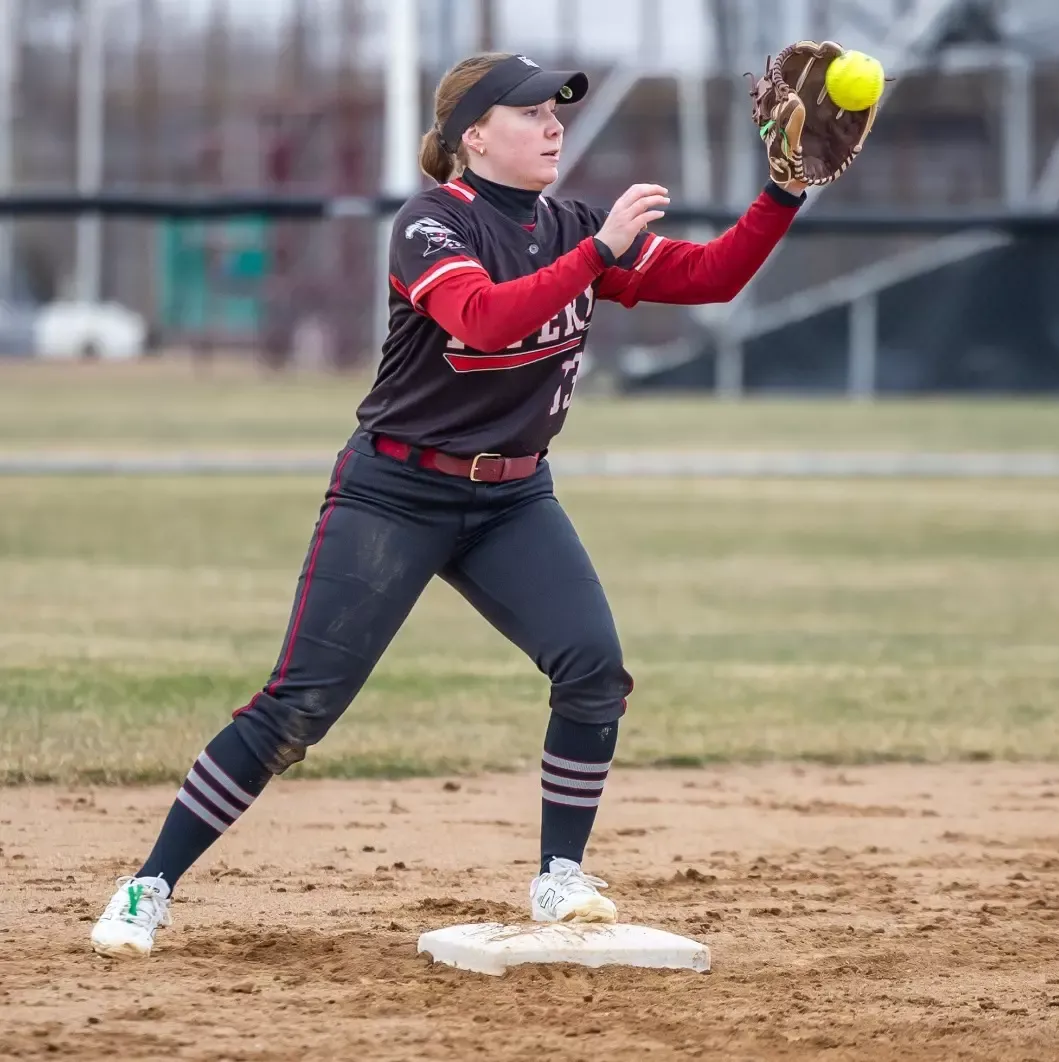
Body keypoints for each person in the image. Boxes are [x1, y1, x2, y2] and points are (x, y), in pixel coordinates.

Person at [89, 50, 826, 958]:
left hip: (513, 498)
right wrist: (598, 254)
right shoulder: (430, 223)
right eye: (529, 112)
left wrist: (782, 191)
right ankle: (147, 885)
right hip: (394, 492)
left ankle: (560, 878)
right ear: (474, 136)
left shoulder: (571, 222)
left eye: (557, 110)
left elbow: (710, 277)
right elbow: (484, 319)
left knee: (593, 668)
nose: (554, 124)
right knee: (298, 709)